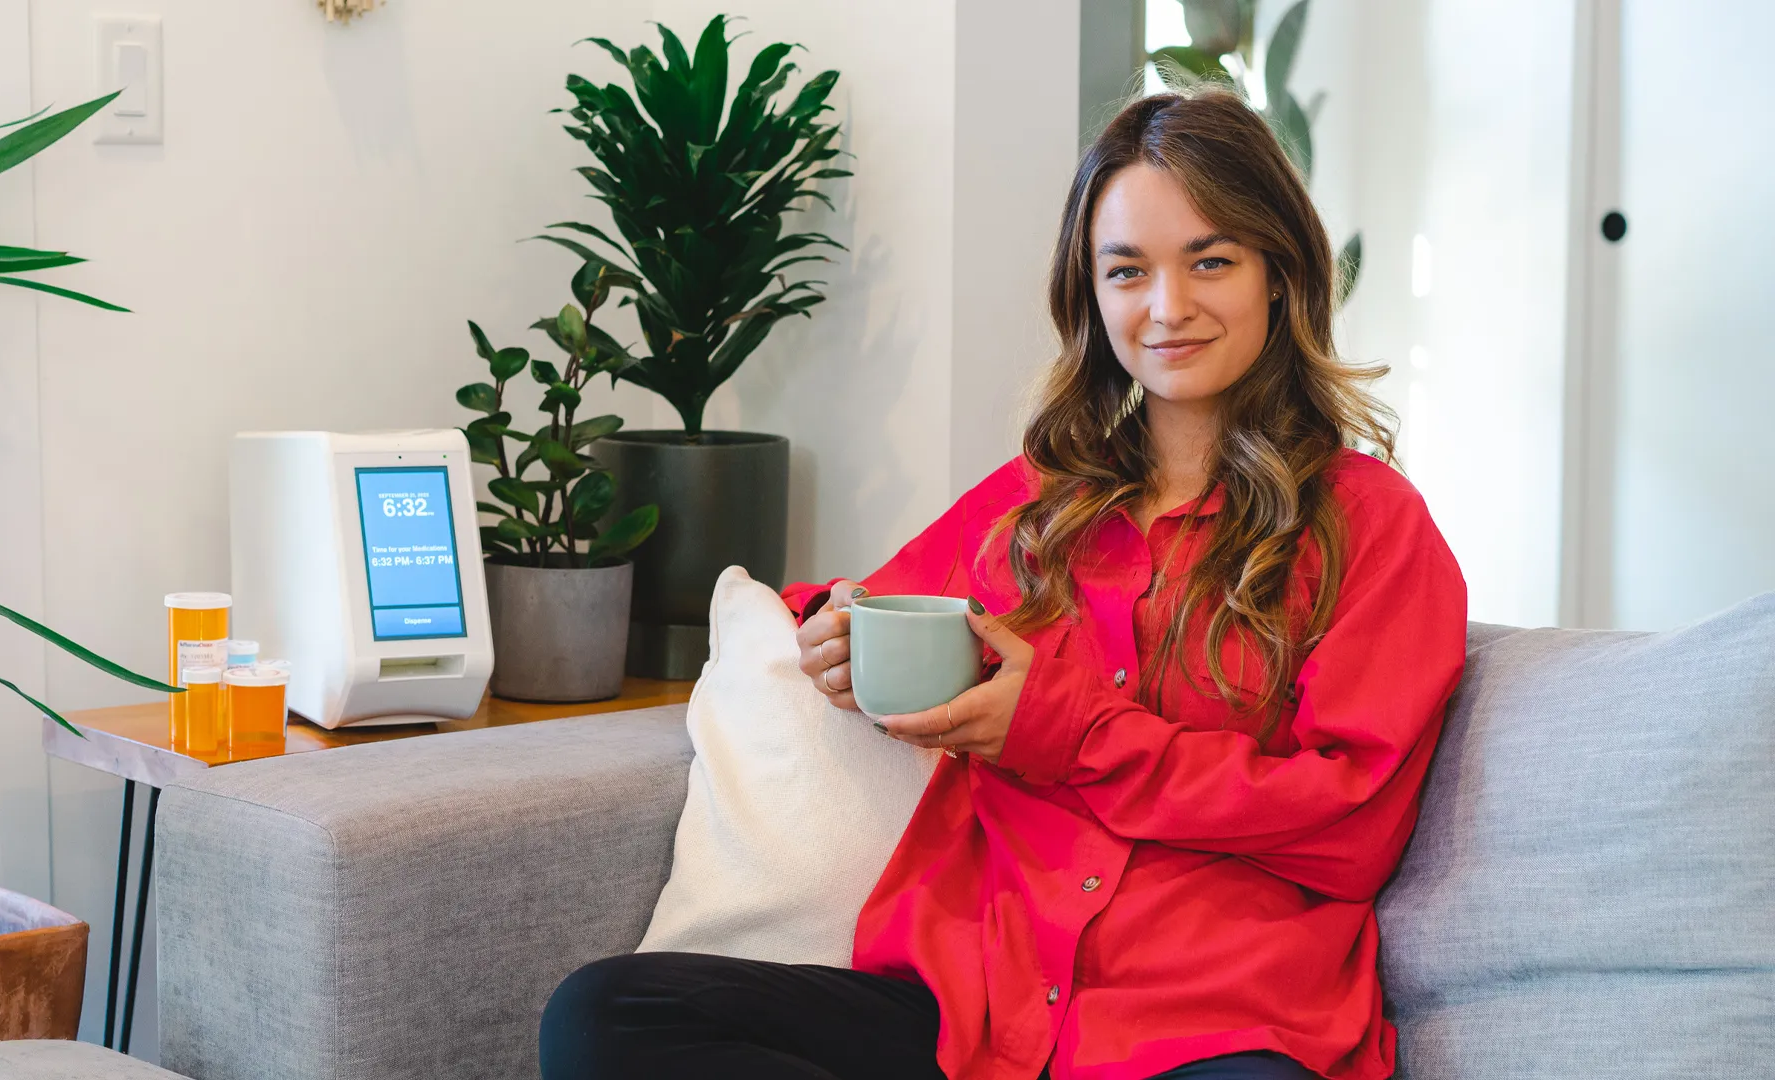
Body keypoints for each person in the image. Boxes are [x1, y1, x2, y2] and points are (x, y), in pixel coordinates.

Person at [540, 87, 1467, 1080]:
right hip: (971, 1018)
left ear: (1279, 275)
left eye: (1211, 261)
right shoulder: (1036, 505)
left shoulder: (1373, 525)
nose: (1167, 308)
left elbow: (1351, 827)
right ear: (1090, 293)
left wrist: (1069, 733)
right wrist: (836, 626)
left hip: (1213, 1032)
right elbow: (869, 598)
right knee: (608, 1015)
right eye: (1127, 271)